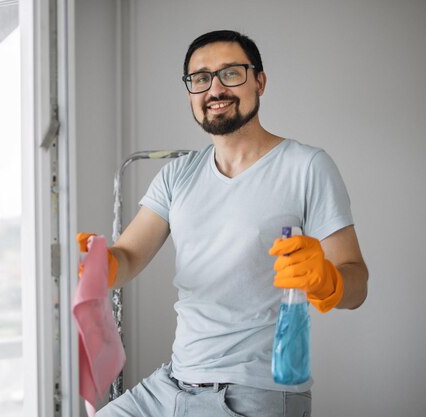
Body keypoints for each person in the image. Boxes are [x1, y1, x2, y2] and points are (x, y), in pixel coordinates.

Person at [80, 29, 368, 417]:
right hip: (172, 384)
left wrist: (329, 280)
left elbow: (357, 283)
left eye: (230, 73)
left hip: (251, 393)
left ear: (259, 81)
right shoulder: (176, 175)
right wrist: (96, 262)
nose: (214, 89)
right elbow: (128, 256)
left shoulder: (307, 166)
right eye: (200, 79)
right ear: (191, 93)